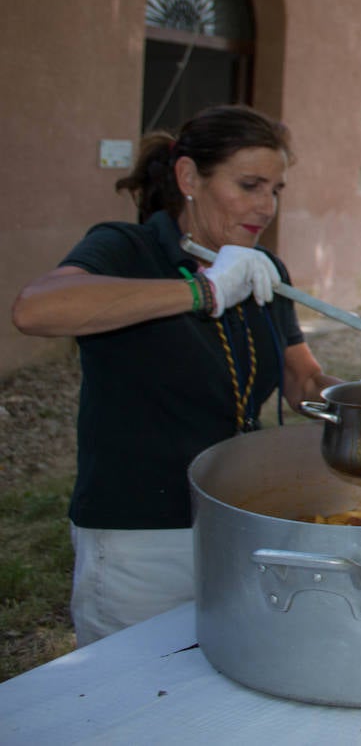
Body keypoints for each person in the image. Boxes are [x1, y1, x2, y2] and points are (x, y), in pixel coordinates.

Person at [10, 105, 341, 647]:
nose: (267, 206)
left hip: (237, 521)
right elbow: (35, 310)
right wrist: (203, 290)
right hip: (138, 537)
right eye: (250, 185)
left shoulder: (263, 270)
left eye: (276, 189)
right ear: (189, 178)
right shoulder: (128, 249)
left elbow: (302, 381)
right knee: (131, 702)